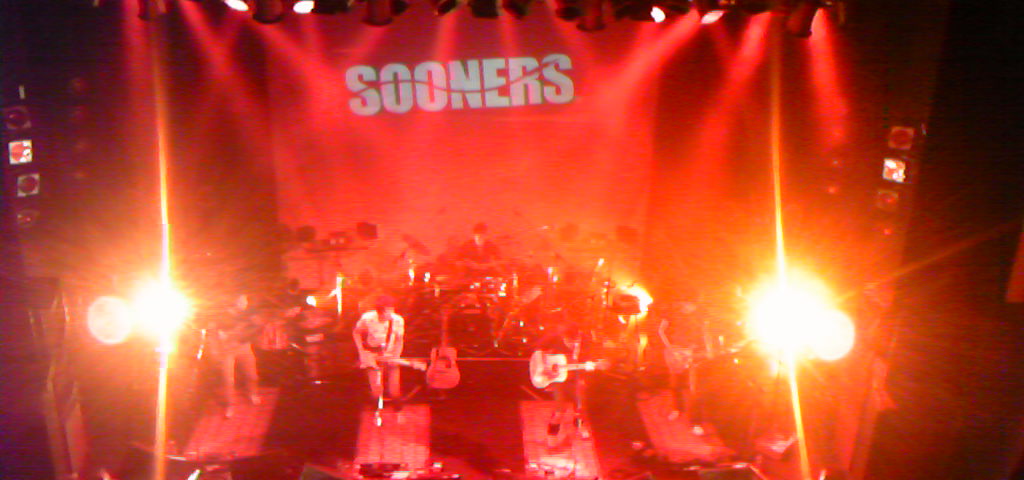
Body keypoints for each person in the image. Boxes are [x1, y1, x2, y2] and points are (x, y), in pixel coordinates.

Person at [656, 297, 707, 435]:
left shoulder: (698, 316)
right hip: (675, 352)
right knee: (675, 384)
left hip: (691, 353)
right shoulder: (672, 313)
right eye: (688, 304)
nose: (690, 307)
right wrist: (669, 347)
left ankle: (695, 422)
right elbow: (660, 330)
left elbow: (704, 335)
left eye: (693, 305)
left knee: (693, 388)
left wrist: (700, 350)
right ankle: (677, 409)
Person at [215, 293, 264, 418]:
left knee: (252, 374)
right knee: (228, 379)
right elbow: (221, 334)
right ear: (235, 302)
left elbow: (258, 325)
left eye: (245, 300)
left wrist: (253, 325)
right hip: (228, 349)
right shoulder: (225, 315)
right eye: (242, 301)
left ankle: (252, 393)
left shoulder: (249, 313)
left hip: (245, 347)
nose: (245, 303)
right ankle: (230, 405)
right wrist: (230, 336)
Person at [352, 295, 405, 402]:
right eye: (386, 311)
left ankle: (397, 404)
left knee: (395, 388)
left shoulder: (398, 320)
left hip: (390, 354)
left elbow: (399, 340)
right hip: (372, 353)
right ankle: (377, 406)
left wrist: (396, 357)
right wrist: (361, 351)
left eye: (391, 310)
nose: (389, 313)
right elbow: (356, 333)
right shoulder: (367, 318)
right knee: (376, 389)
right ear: (379, 311)